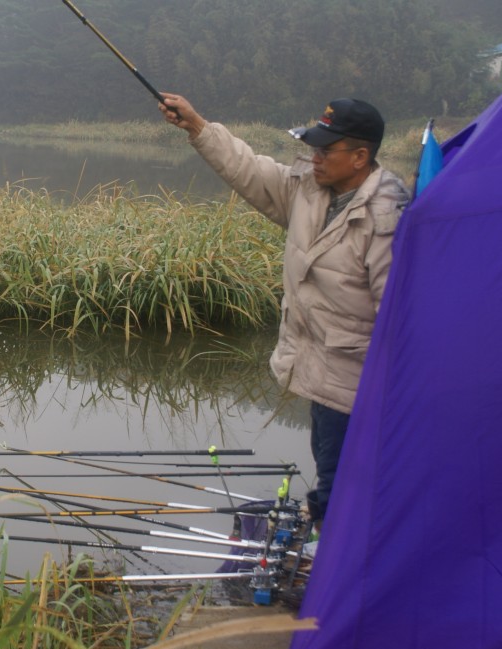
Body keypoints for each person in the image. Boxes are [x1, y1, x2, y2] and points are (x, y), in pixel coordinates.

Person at [159, 94, 410, 524]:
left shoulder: (387, 218)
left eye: (326, 150)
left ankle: (338, 553)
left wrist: (398, 398)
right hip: (322, 372)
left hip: (361, 385)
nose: (315, 158)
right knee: (334, 478)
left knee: (346, 490)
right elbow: (249, 169)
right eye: (313, 148)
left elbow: (399, 316)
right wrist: (197, 126)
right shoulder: (308, 190)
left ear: (360, 157)